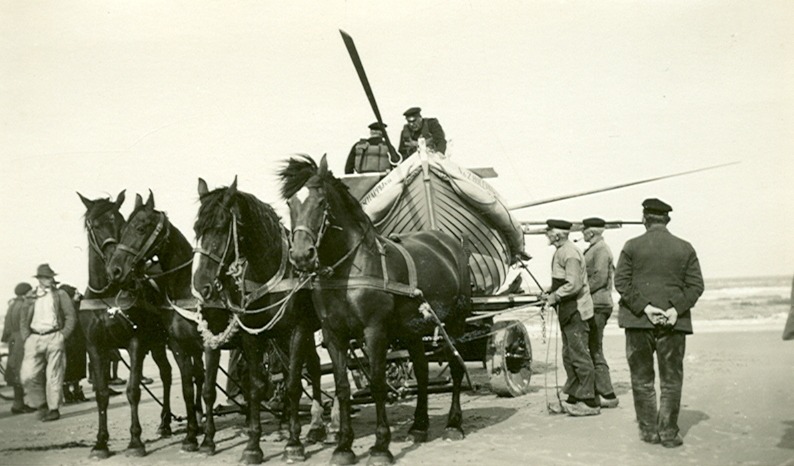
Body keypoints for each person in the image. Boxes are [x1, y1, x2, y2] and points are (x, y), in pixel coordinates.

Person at [614, 198, 704, 448]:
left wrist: (646, 308)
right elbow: (697, 285)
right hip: (674, 323)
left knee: (642, 380)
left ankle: (648, 432)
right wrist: (676, 309)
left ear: (645, 218)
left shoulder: (631, 246)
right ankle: (667, 433)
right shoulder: (685, 247)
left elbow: (621, 283)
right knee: (671, 380)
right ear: (667, 220)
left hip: (638, 322)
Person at [543, 219, 599, 416]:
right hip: (567, 311)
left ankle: (589, 402)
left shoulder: (569, 252)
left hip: (576, 311)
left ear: (557, 235)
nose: (546, 235)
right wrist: (550, 291)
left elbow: (574, 284)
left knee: (579, 356)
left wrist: (555, 296)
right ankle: (574, 396)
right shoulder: (562, 251)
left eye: (548, 232)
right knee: (569, 356)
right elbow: (564, 280)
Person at [19, 264, 77, 422]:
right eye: (46, 277)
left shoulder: (60, 294)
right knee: (27, 376)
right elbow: (24, 319)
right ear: (39, 279)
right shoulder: (30, 296)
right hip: (34, 337)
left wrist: (63, 335)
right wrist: (27, 337)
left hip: (54, 336)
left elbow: (70, 316)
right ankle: (41, 404)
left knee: (55, 375)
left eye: (51, 277)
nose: (49, 280)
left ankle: (53, 409)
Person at [581, 217, 619, 408]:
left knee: (594, 348)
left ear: (591, 232)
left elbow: (601, 278)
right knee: (592, 347)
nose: (582, 233)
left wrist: (579, 292)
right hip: (596, 304)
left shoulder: (601, 250)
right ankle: (598, 391)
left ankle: (608, 394)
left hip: (598, 305)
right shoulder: (596, 249)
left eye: (584, 230)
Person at [2, 282, 37, 414]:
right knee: (22, 372)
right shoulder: (24, 305)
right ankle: (19, 405)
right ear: (25, 293)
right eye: (30, 291)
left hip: (13, 341)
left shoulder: (12, 305)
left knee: (16, 371)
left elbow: (6, 327)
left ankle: (18, 404)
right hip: (22, 341)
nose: (32, 293)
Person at [58, 284, 88, 403]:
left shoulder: (65, 305)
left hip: (75, 339)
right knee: (71, 367)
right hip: (72, 339)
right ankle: (71, 393)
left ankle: (73, 392)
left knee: (75, 366)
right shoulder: (68, 307)